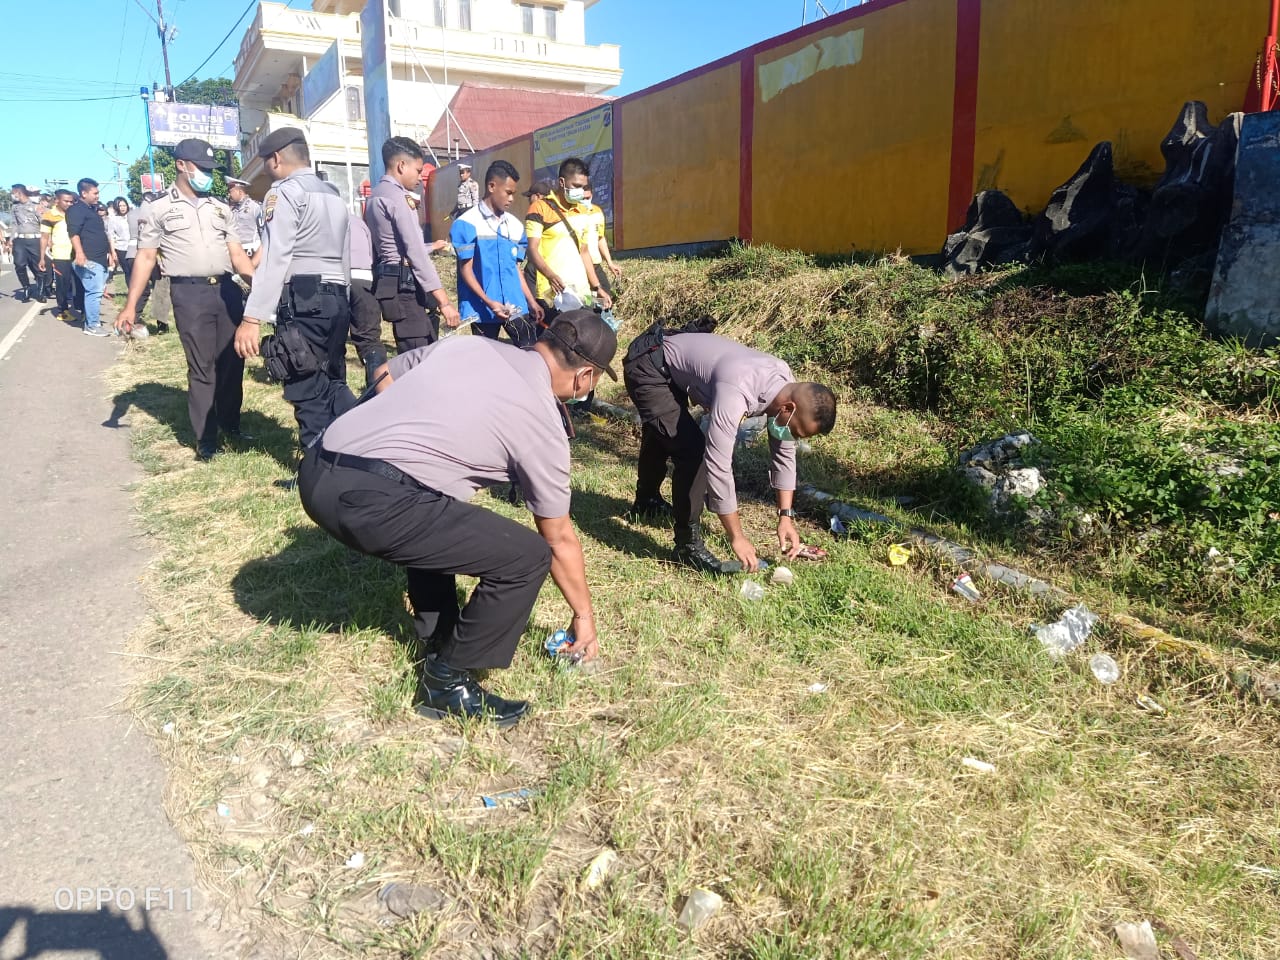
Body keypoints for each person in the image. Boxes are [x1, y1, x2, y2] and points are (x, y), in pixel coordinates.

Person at [298, 309, 617, 726]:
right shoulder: (543, 422)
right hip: (364, 501)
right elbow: (557, 539)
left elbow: (385, 377)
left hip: (317, 466)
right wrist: (583, 616)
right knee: (526, 556)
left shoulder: (471, 344)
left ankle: (439, 636)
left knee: (434, 504)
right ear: (585, 377)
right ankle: (446, 682)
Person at [622, 324, 838, 573]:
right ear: (787, 408)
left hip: (668, 362)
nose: (794, 438)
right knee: (693, 453)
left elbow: (784, 454)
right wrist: (737, 536)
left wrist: (786, 516)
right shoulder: (737, 391)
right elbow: (718, 464)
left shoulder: (784, 383)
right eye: (797, 432)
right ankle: (687, 546)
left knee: (665, 429)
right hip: (647, 365)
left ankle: (646, 502)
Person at [115, 139, 256, 460]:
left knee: (233, 362)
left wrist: (259, 287)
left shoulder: (221, 207)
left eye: (210, 169)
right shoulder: (158, 208)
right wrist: (130, 305)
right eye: (202, 168)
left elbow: (237, 254)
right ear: (181, 165)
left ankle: (231, 424)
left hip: (227, 291)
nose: (207, 174)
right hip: (189, 294)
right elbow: (146, 257)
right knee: (202, 366)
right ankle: (206, 438)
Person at [233, 127, 356, 449]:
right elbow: (345, 254)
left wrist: (252, 318)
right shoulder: (332, 193)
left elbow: (276, 255)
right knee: (331, 378)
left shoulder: (284, 192)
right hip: (336, 296)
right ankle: (358, 443)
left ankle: (316, 470)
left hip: (304, 296)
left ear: (275, 158)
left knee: (304, 380)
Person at [365, 136, 461, 353]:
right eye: (418, 171)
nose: (419, 178)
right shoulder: (398, 197)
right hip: (406, 286)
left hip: (391, 283)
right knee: (419, 355)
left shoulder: (375, 196)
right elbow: (415, 252)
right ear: (401, 166)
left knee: (411, 348)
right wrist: (444, 302)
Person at [449, 159, 544, 345]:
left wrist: (531, 302)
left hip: (514, 304)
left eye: (514, 194)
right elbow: (466, 270)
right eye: (508, 193)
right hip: (483, 309)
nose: (511, 199)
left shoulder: (515, 225)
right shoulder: (467, 223)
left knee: (529, 350)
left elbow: (517, 269)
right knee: (488, 361)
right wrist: (489, 301)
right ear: (492, 186)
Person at [524, 158, 612, 316]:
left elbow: (584, 252)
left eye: (583, 187)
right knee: (556, 340)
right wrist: (551, 276)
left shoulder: (583, 212)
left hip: (581, 293)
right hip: (552, 294)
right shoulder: (540, 208)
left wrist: (597, 287)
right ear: (562, 182)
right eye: (576, 186)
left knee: (585, 338)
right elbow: (532, 249)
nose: (580, 191)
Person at [66, 178, 117, 336]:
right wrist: (80, 254)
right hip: (88, 259)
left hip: (100, 258)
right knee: (93, 292)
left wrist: (110, 253)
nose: (97, 196)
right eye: (94, 193)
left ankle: (92, 322)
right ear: (84, 193)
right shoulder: (76, 210)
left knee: (97, 292)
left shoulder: (91, 210)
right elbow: (73, 234)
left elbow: (100, 234)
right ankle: (92, 325)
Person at [348, 209, 387, 386]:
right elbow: (373, 254)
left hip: (333, 280)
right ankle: (377, 387)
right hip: (363, 278)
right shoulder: (358, 222)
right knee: (370, 339)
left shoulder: (317, 219)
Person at [38, 189, 80, 321]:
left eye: (71, 201)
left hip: (77, 254)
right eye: (66, 201)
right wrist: (42, 258)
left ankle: (81, 308)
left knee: (78, 283)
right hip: (60, 255)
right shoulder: (49, 216)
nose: (69, 204)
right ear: (57, 201)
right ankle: (63, 311)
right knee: (63, 285)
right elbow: (44, 237)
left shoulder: (75, 213)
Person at [581, 185, 623, 301]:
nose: (585, 201)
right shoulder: (573, 215)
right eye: (582, 199)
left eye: (587, 198)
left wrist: (610, 263)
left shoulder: (597, 212)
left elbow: (600, 238)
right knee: (586, 299)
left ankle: (604, 317)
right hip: (579, 267)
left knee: (606, 295)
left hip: (595, 264)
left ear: (592, 196)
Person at [10, 184, 46, 302]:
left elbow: (43, 224)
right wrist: (10, 239)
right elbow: (14, 224)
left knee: (38, 266)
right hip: (20, 240)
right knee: (19, 264)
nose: (12, 195)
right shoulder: (15, 207)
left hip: (35, 239)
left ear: (19, 193)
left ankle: (41, 291)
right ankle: (26, 287)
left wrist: (47, 240)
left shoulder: (36, 206)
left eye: (13, 192)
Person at [225, 177, 262, 257]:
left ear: (240, 191)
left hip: (253, 250)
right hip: (238, 251)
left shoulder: (255, 207)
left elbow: (263, 231)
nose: (229, 194)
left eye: (231, 191)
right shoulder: (231, 209)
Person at [107, 197, 131, 281]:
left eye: (124, 205)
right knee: (127, 271)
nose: (123, 208)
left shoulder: (131, 216)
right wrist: (113, 252)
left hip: (133, 246)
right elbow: (111, 236)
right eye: (120, 206)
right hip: (121, 248)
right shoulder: (113, 219)